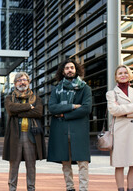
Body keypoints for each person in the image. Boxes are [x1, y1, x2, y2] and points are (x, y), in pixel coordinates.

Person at [47, 59, 92, 191]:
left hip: (79, 130)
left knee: (83, 162)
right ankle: (70, 187)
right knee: (65, 161)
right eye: (67, 68)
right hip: (61, 130)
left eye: (72, 67)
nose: (70, 70)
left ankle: (84, 188)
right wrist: (72, 106)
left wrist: (65, 115)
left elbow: (86, 109)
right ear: (63, 71)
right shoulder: (56, 89)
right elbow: (52, 108)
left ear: (76, 70)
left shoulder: (85, 88)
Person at [2, 72, 46, 191]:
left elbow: (38, 113)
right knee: (13, 165)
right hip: (15, 136)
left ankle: (31, 188)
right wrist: (28, 106)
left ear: (29, 82)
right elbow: (11, 110)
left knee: (31, 166)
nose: (22, 82)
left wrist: (19, 111)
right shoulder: (9, 98)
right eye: (19, 80)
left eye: (25, 79)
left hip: (31, 136)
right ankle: (12, 188)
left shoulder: (37, 99)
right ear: (15, 83)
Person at [106, 65, 133, 191]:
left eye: (126, 72)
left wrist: (124, 111)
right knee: (119, 163)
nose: (123, 75)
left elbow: (119, 110)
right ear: (116, 76)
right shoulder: (111, 93)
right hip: (120, 132)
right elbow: (114, 110)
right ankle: (120, 189)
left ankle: (131, 189)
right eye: (120, 73)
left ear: (130, 74)